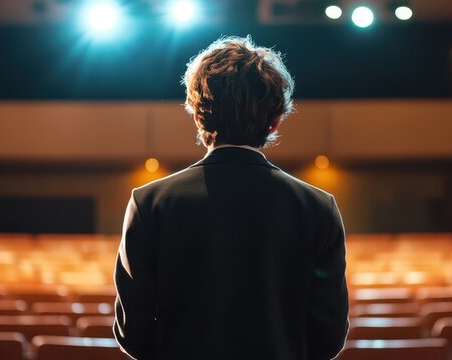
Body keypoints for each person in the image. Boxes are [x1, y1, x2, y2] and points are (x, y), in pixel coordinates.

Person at [113, 36, 349, 360]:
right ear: (276, 120)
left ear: (197, 116)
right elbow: (329, 336)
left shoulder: (150, 204)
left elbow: (133, 333)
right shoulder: (319, 208)